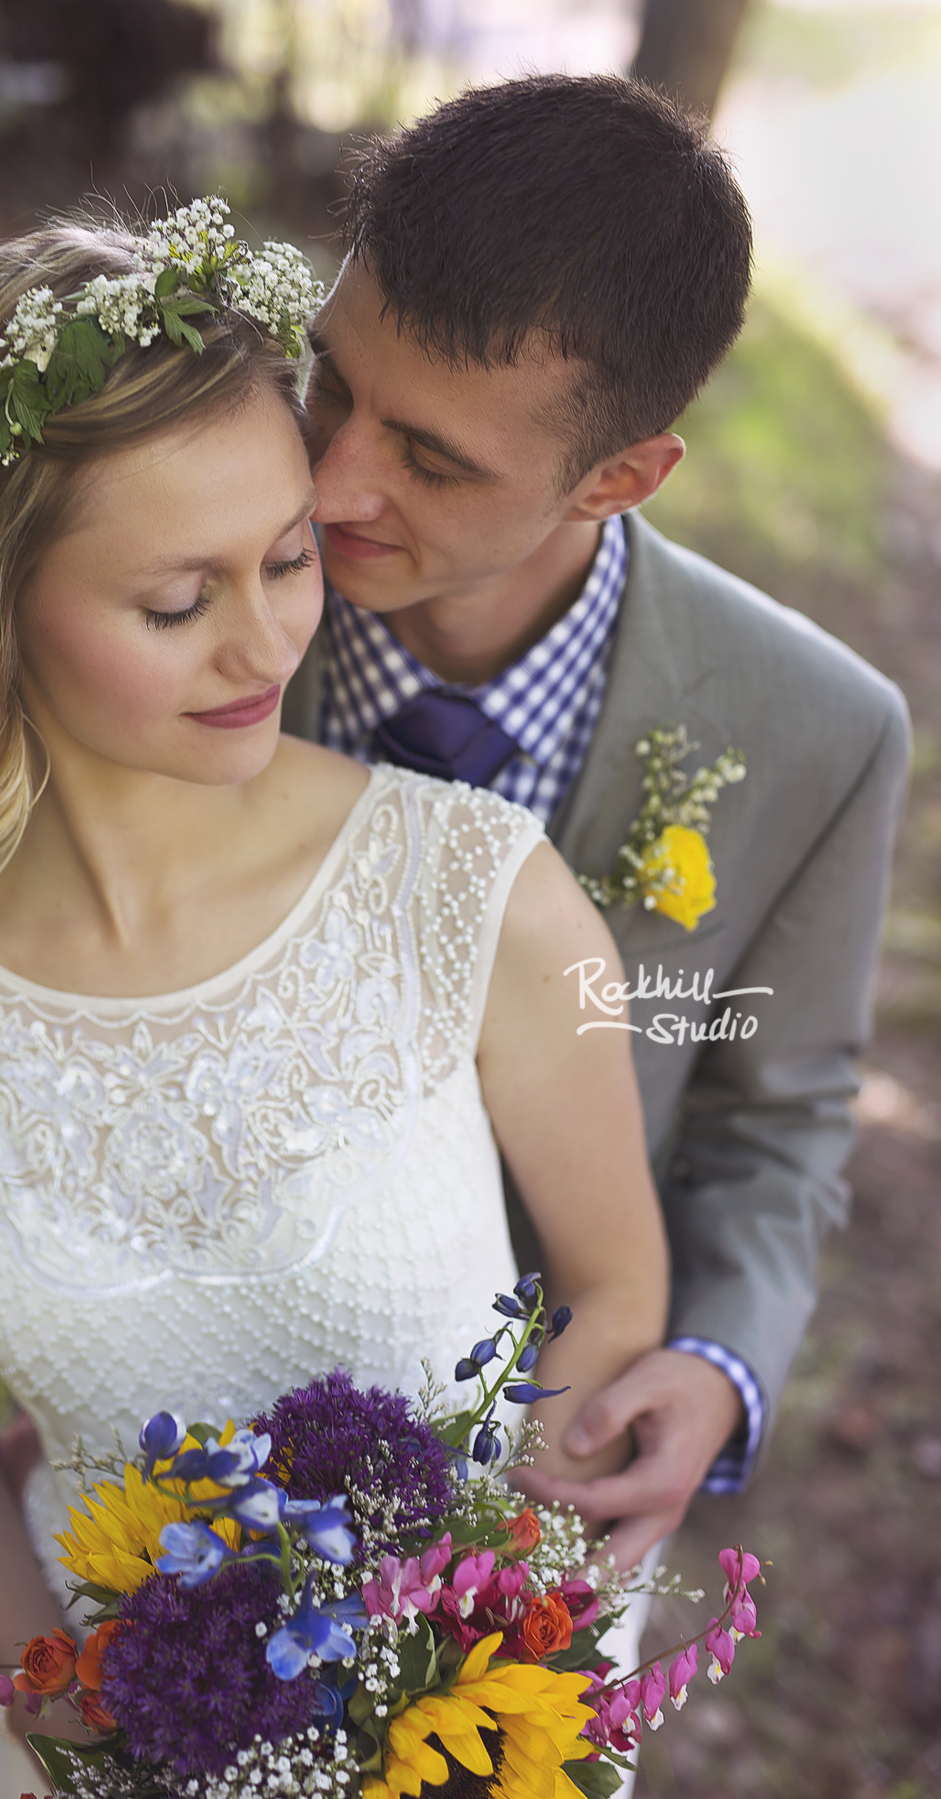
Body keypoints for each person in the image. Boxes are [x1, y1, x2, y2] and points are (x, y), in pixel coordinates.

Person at [0, 205, 668, 1799]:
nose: (265, 644)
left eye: (288, 557)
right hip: (113, 1782)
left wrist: (442, 1647)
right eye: (179, 599)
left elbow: (616, 1295)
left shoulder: (470, 893)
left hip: (466, 1770)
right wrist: (62, 1695)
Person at [288, 74, 909, 1566]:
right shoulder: (170, 624)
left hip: (538, 1490)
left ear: (620, 478)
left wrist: (720, 1358)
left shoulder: (818, 735)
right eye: (329, 384)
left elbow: (777, 1117)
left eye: (430, 457)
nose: (328, 480)